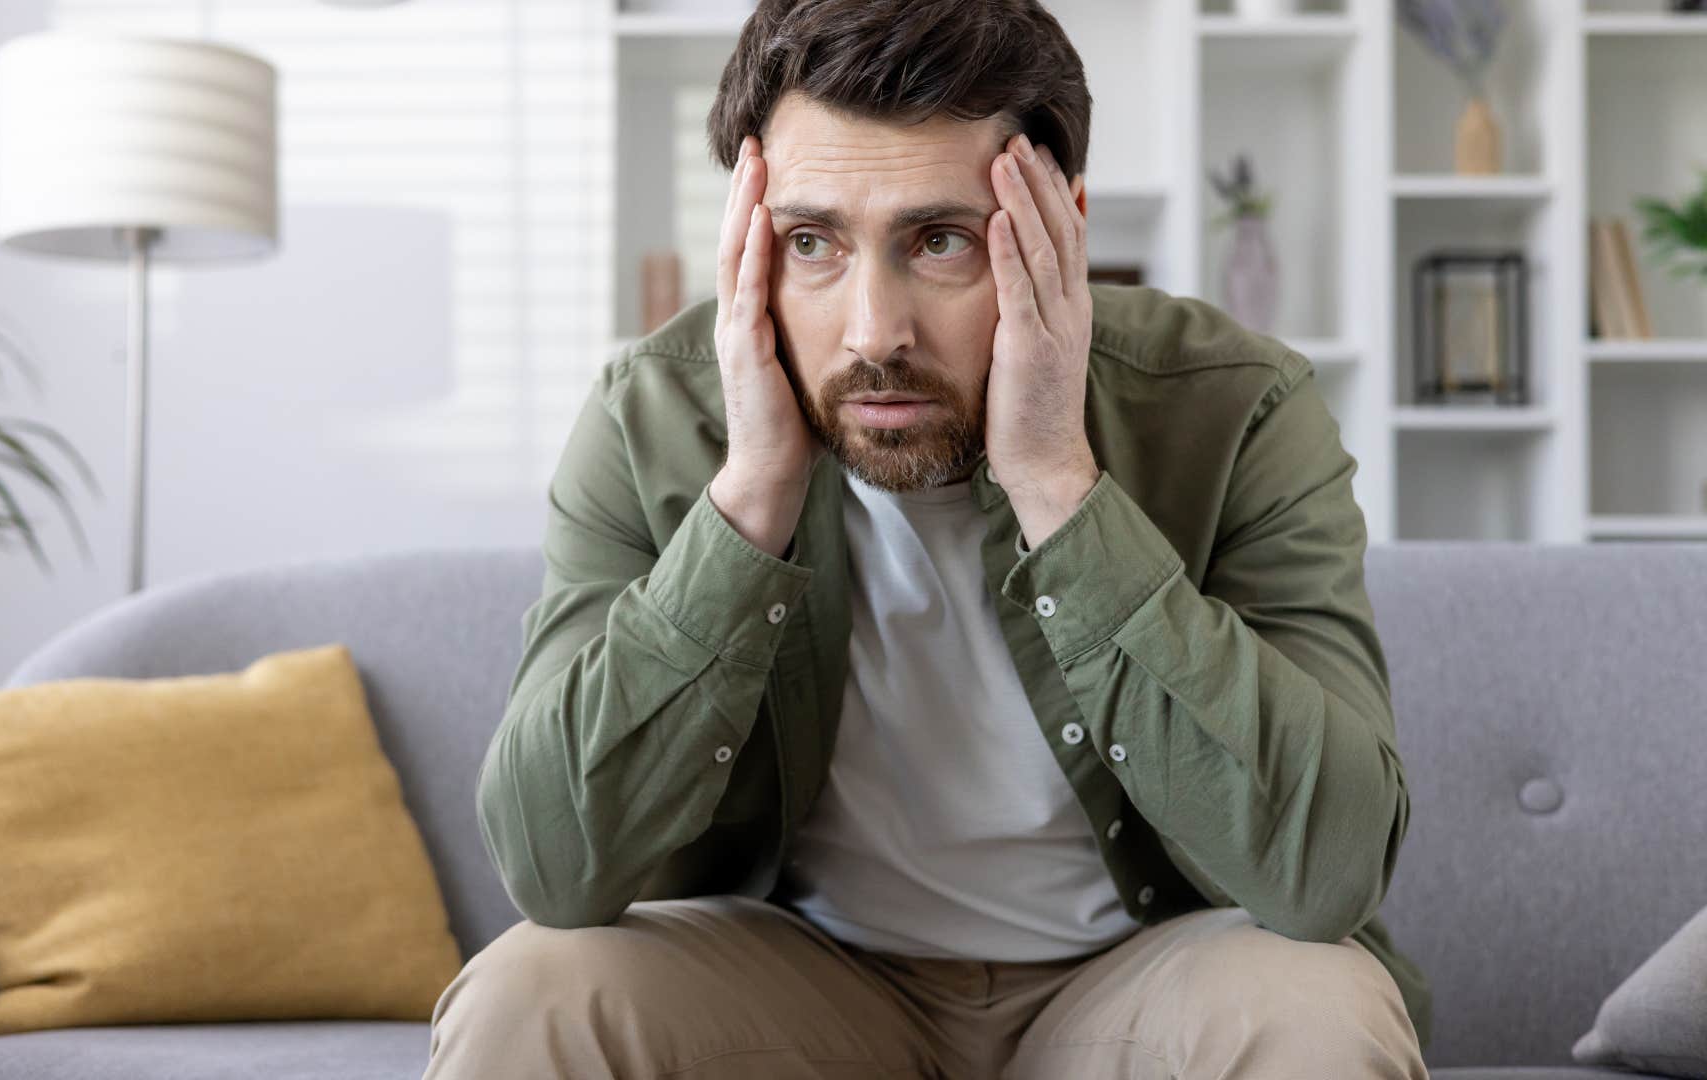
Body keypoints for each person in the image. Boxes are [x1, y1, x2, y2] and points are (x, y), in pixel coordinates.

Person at [422, 0, 1431, 1076]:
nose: (873, 333)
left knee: (1321, 1011)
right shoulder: (651, 416)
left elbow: (1328, 870)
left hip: (1138, 977)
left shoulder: (1237, 405)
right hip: (804, 983)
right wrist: (752, 496)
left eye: (940, 240)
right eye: (812, 243)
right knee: (527, 997)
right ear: (750, 244)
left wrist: (1056, 481)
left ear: (1063, 231)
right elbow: (553, 867)